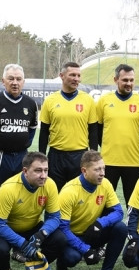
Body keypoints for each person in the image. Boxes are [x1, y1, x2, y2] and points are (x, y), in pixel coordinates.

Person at [0, 151, 68, 270]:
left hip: (32, 227)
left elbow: (55, 217)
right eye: (38, 170)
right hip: (7, 228)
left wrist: (41, 234)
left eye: (46, 170)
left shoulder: (49, 184)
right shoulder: (9, 188)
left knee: (60, 239)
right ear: (25, 171)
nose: (43, 175)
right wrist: (22, 244)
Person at [56, 150, 128, 270]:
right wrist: (86, 250)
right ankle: (62, 265)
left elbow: (119, 212)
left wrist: (100, 223)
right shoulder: (69, 191)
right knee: (71, 258)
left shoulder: (105, 184)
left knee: (120, 228)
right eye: (97, 169)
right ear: (84, 171)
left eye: (103, 168)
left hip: (93, 232)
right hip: (72, 236)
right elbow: (62, 228)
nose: (102, 173)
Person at [0, 63, 38, 214]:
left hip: (22, 157)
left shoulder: (31, 104)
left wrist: (23, 144)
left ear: (24, 82)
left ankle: (18, 228)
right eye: (10, 79)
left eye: (18, 79)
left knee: (21, 193)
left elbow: (32, 129)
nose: (15, 82)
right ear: (3, 81)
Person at [38, 62, 98, 190]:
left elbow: (93, 131)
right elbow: (44, 132)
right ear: (62, 76)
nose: (76, 79)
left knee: (77, 195)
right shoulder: (50, 100)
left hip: (80, 156)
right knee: (54, 195)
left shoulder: (88, 100)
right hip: (56, 156)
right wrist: (42, 157)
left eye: (78, 75)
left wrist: (93, 156)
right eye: (72, 75)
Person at [95, 64, 139, 205]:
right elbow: (97, 129)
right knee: (104, 202)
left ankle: (132, 228)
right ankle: (103, 227)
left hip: (133, 161)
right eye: (125, 80)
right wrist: (107, 145)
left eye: (131, 80)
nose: (129, 83)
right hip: (108, 161)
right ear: (115, 79)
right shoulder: (104, 101)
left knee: (134, 203)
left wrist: (135, 143)